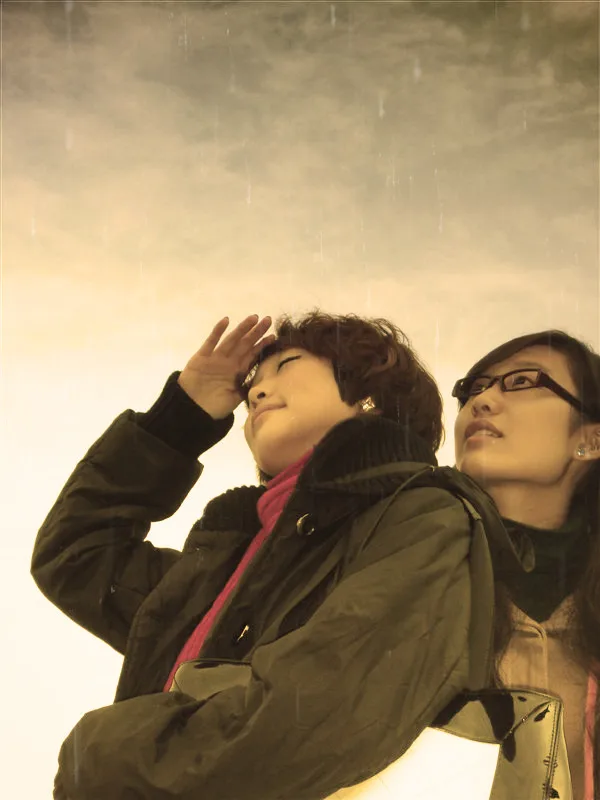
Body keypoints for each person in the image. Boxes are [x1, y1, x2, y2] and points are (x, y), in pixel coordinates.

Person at [32, 311, 513, 800]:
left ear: (369, 394)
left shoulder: (422, 515)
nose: (257, 391)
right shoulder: (227, 558)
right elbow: (75, 555)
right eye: (252, 386)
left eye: (286, 365)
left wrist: (102, 758)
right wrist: (180, 421)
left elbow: (317, 716)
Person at [452, 329, 600, 800]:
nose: (482, 401)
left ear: (591, 440)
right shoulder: (415, 579)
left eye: (522, 382)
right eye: (472, 389)